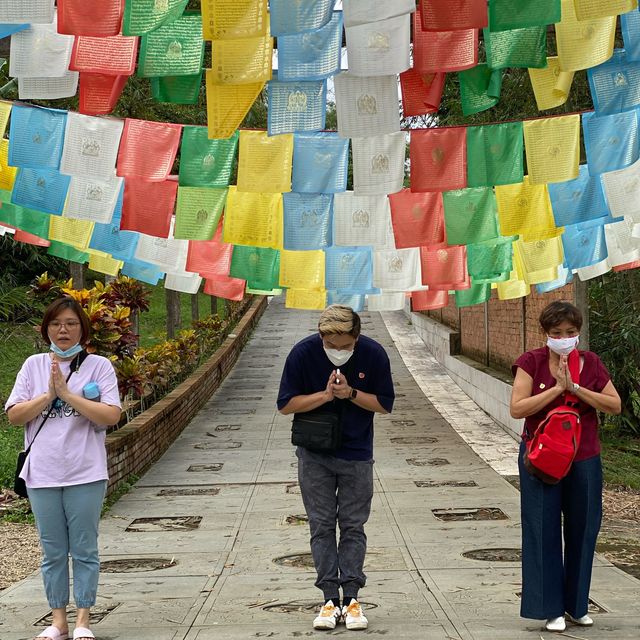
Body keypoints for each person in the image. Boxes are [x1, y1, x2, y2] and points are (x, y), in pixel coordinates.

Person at [5, 297, 122, 640]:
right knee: (52, 550)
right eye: (56, 323)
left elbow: (112, 416)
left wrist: (68, 395)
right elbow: (14, 416)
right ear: (47, 330)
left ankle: (83, 620)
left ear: (83, 328)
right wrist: (48, 395)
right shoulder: (33, 365)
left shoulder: (99, 366)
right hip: (42, 473)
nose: (64, 329)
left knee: (85, 548)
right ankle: (58, 621)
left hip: (85, 472)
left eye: (71, 323)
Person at [277, 304, 394, 631]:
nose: (338, 352)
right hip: (314, 454)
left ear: (356, 337)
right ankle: (329, 597)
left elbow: (384, 404)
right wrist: (326, 395)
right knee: (322, 525)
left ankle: (352, 598)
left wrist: (351, 393)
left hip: (357, 453)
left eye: (345, 346)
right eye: (331, 345)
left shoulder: (373, 354)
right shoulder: (302, 354)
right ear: (321, 337)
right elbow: (286, 405)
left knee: (354, 525)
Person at [510, 300, 621, 633]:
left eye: (570, 333)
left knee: (584, 528)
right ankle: (550, 609)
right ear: (546, 334)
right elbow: (517, 408)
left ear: (578, 333)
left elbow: (614, 405)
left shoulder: (591, 363)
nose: (564, 338)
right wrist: (557, 388)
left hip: (583, 455)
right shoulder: (531, 362)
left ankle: (576, 604)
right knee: (541, 528)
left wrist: (575, 388)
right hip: (540, 456)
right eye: (557, 333)